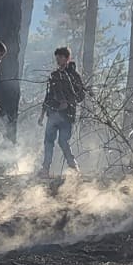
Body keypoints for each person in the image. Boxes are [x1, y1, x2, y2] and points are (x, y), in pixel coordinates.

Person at [39, 45, 87, 177]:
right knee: (48, 141)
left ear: (67, 58)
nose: (58, 60)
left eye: (60, 57)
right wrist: (42, 114)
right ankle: (45, 169)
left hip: (67, 115)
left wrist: (68, 102)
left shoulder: (74, 76)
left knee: (63, 141)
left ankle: (74, 167)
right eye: (57, 57)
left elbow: (81, 96)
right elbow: (48, 95)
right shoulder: (54, 75)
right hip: (53, 114)